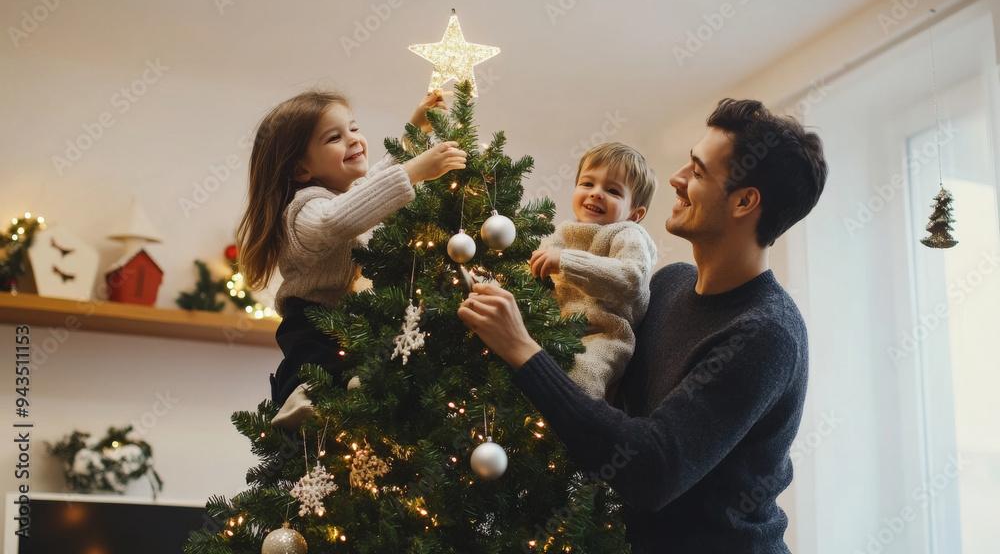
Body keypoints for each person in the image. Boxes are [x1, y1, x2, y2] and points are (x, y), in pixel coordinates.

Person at [458, 98, 827, 553]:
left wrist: (521, 349)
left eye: (697, 170)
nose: (676, 178)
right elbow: (608, 401)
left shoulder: (766, 333)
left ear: (745, 201)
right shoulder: (670, 284)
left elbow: (651, 469)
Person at [236, 88, 466, 429]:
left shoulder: (346, 195)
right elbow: (338, 218)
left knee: (358, 358)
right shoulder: (305, 208)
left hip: (351, 318)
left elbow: (370, 186)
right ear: (301, 169)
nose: (353, 140)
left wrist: (414, 132)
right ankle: (297, 398)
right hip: (312, 315)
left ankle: (355, 388)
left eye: (354, 129)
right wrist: (414, 171)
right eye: (335, 137)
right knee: (312, 359)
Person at [528, 142, 657, 401]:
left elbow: (631, 278)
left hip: (604, 335)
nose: (596, 193)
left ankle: (579, 435)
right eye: (588, 184)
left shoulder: (629, 234)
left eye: (612, 190)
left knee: (582, 375)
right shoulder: (562, 234)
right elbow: (532, 275)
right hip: (554, 330)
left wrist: (566, 262)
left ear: (634, 214)